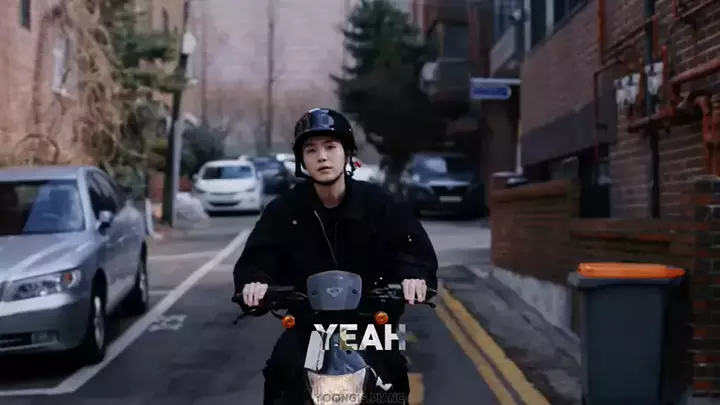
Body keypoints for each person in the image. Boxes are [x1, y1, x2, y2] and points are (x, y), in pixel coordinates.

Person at [233, 108, 438, 405]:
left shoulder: (380, 203)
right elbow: (257, 258)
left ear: (347, 153)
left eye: (330, 147)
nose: (322, 157)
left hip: (370, 325)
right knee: (281, 369)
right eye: (311, 150)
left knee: (392, 374)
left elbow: (412, 249)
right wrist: (255, 283)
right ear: (302, 160)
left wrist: (414, 278)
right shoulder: (284, 210)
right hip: (309, 326)